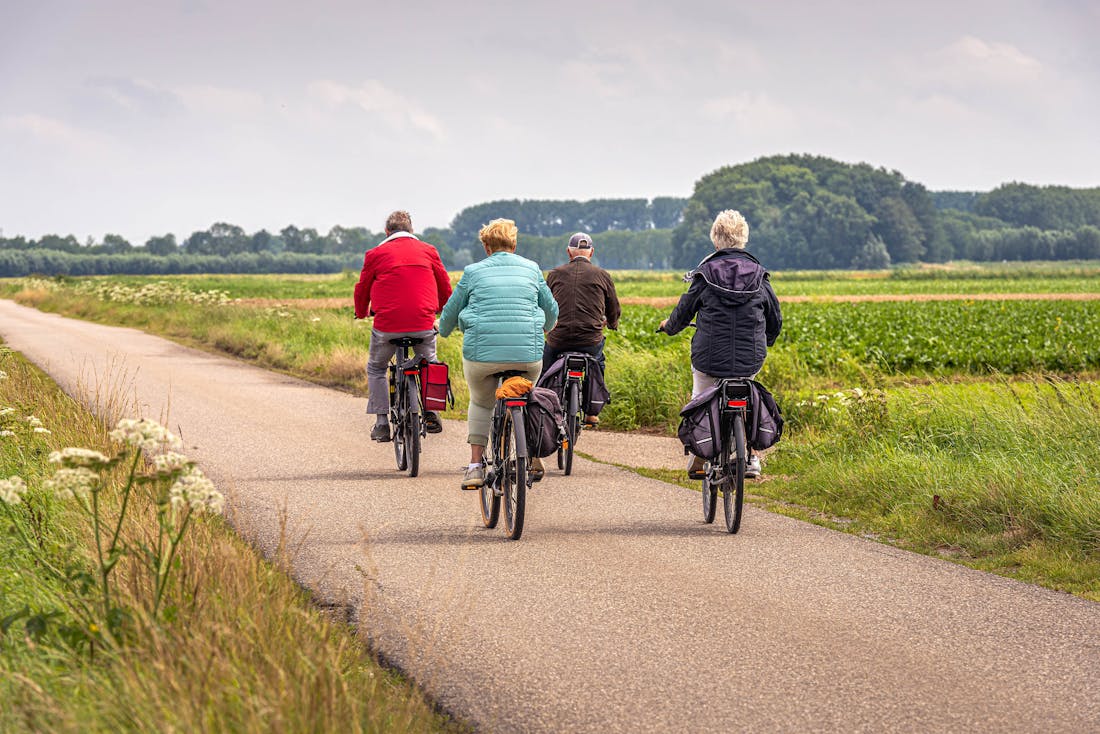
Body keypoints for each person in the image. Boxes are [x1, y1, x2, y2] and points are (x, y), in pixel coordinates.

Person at [659, 209, 781, 478]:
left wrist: (668, 327)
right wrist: (766, 341)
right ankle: (752, 457)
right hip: (750, 357)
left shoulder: (704, 274)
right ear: (744, 239)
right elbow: (775, 319)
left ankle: (700, 455)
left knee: (701, 397)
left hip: (709, 358)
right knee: (747, 392)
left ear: (715, 240)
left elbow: (683, 313)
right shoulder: (760, 276)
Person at [438, 218, 558, 488]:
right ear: (514, 244)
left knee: (481, 402)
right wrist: (545, 327)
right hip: (527, 356)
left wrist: (444, 330)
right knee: (526, 396)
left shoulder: (472, 272)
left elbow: (450, 313)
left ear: (486, 247)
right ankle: (531, 455)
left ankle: (475, 466)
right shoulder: (532, 269)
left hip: (482, 357)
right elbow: (551, 312)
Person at [354, 210, 453, 442]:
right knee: (430, 363)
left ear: (387, 232)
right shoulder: (429, 251)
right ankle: (431, 410)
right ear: (412, 230)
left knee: (377, 368)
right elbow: (445, 286)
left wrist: (361, 312)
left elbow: (362, 288)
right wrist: (440, 309)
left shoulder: (375, 254)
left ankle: (381, 422)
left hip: (387, 326)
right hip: (422, 322)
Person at [542, 232, 621, 426]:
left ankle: (544, 406)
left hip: (558, 339)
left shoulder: (554, 274)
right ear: (591, 252)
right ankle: (592, 412)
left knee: (545, 368)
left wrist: (546, 326)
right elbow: (614, 308)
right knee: (598, 362)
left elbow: (543, 305)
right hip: (590, 341)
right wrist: (612, 324)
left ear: (569, 252)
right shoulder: (602, 275)